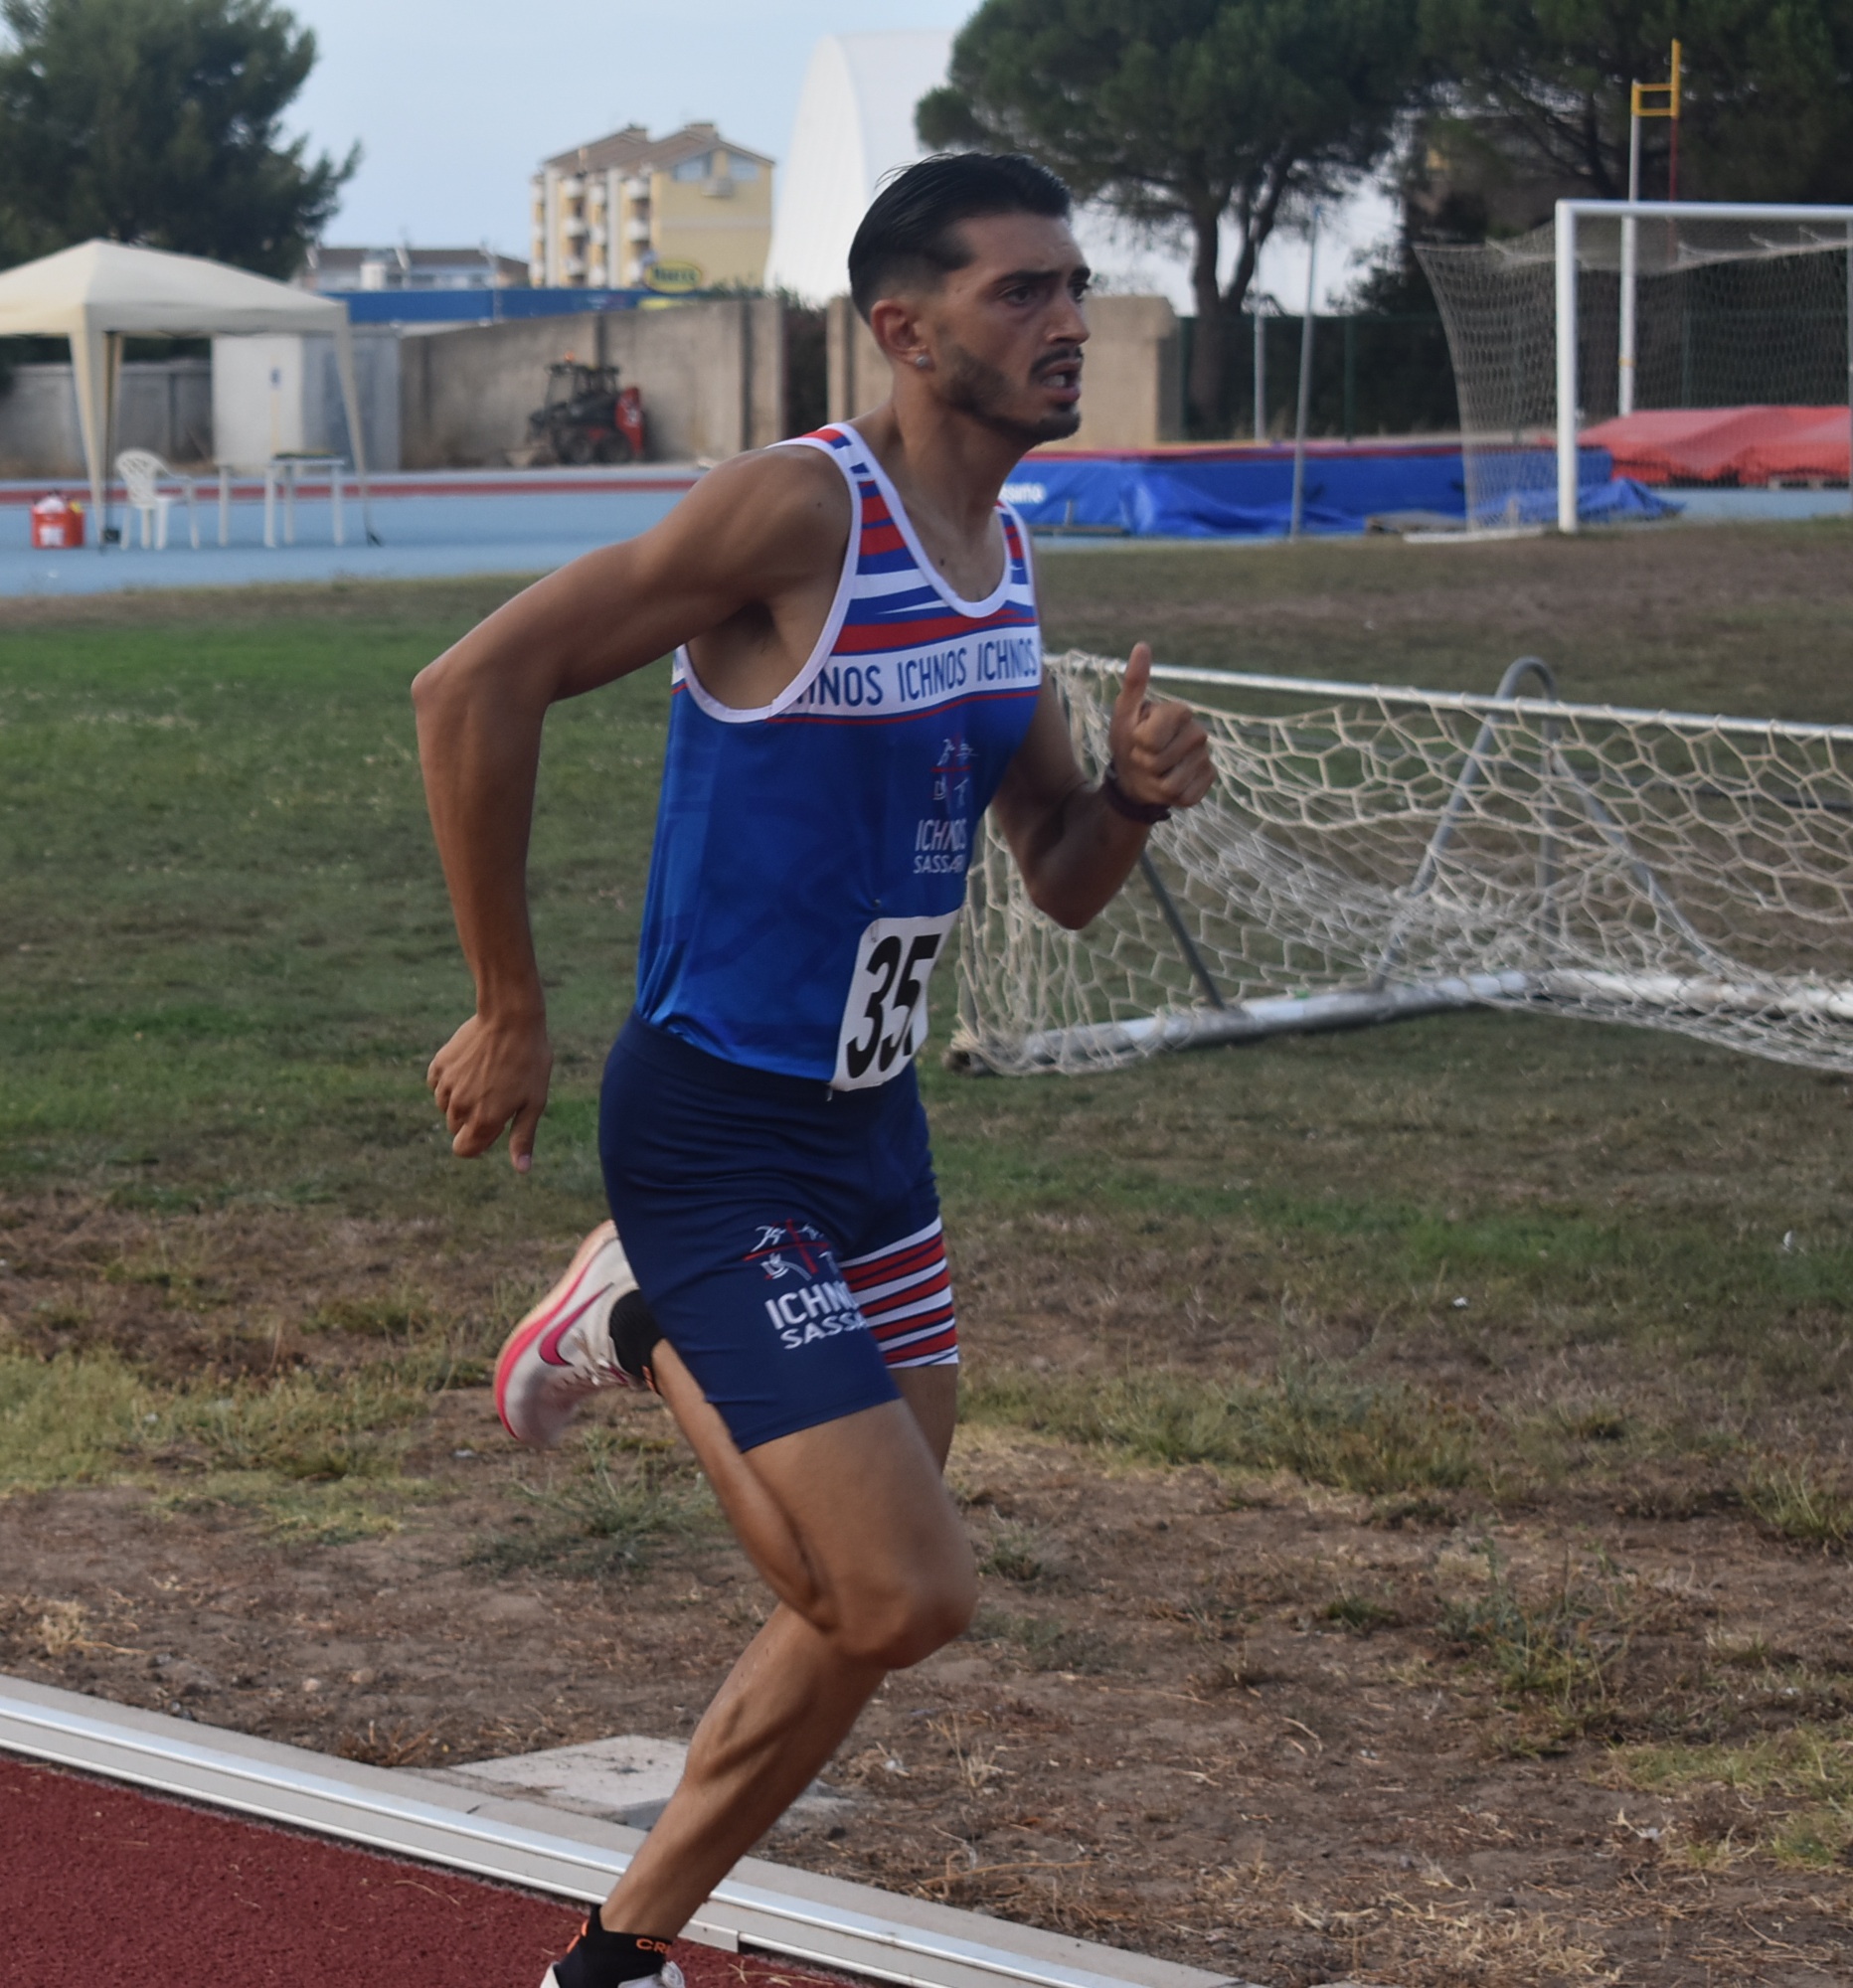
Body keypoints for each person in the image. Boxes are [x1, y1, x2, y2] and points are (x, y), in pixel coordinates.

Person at [412, 152, 1214, 1988]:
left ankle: (614, 1958)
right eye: (1022, 291)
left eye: (1075, 285)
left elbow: (1058, 876)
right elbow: (471, 687)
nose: (1070, 321)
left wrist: (1128, 799)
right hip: (714, 1133)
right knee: (900, 1589)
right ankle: (629, 1317)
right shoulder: (800, 513)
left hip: (874, 1140)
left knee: (855, 1615)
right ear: (905, 329)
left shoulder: (1003, 561)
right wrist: (509, 1002)